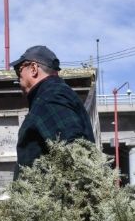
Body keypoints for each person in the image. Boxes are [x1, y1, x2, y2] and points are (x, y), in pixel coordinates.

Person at [11, 45, 95, 179]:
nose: (17, 78)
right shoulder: (53, 94)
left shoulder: (49, 98)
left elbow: (75, 152)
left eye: (18, 70)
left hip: (47, 198)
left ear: (33, 68)